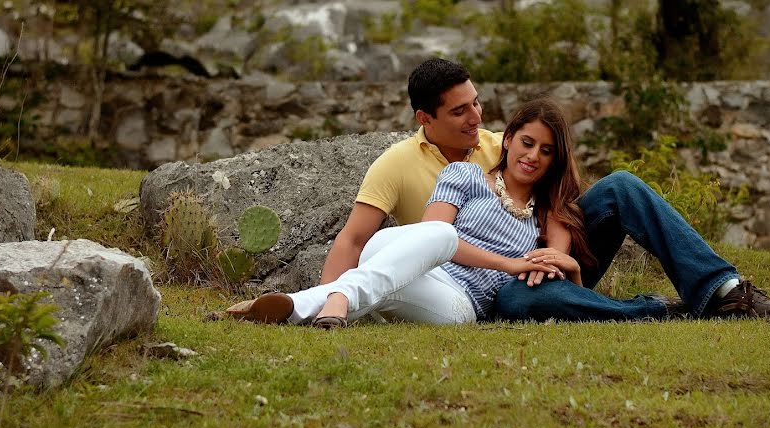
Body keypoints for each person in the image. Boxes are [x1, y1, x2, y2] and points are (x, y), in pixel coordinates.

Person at [227, 58, 770, 323]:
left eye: (478, 103)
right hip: (470, 278)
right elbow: (360, 238)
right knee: (466, 263)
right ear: (426, 119)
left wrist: (559, 256)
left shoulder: (503, 147)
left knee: (621, 187)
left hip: (528, 268)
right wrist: (515, 263)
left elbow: (552, 203)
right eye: (461, 111)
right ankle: (327, 303)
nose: (477, 118)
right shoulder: (414, 166)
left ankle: (722, 289)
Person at [237, 98, 585, 327]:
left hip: (456, 303)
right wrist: (509, 263)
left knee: (400, 262)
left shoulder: (549, 213)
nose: (534, 155)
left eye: (546, 150)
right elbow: (431, 237)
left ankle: (313, 301)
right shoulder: (463, 174)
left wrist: (570, 269)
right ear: (507, 139)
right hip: (410, 263)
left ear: (555, 159)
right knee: (436, 235)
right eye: (527, 142)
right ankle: (332, 300)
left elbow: (554, 273)